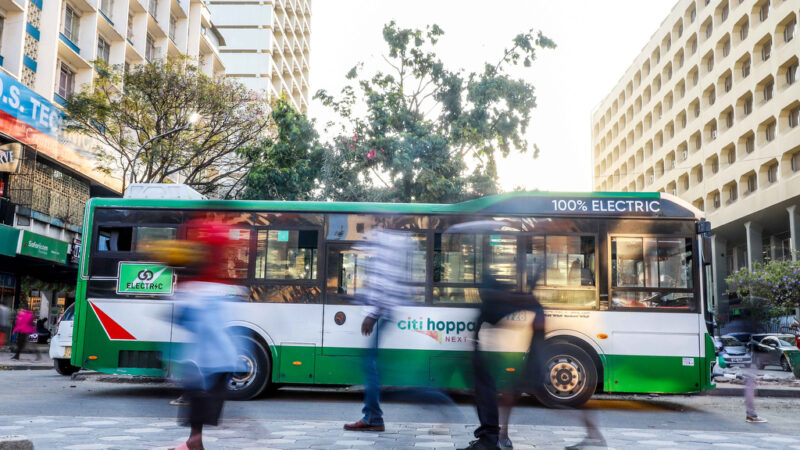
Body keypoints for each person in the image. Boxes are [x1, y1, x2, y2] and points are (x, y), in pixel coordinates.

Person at [168, 220, 251, 450]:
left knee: (198, 407)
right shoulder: (220, 288)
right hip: (221, 361)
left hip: (206, 363)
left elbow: (184, 318)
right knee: (200, 410)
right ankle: (194, 442)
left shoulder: (196, 289)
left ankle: (194, 442)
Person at [459, 264, 546, 450]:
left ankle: (490, 439)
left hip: (488, 354)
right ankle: (490, 437)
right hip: (484, 351)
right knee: (485, 393)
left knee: (486, 393)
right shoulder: (500, 302)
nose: (483, 294)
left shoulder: (501, 301)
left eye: (485, 291)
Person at [344, 228, 420, 432]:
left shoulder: (384, 243)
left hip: (382, 312)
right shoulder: (389, 241)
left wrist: (373, 314)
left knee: (369, 363)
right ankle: (373, 416)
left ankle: (373, 417)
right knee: (370, 362)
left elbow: (384, 284)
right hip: (384, 311)